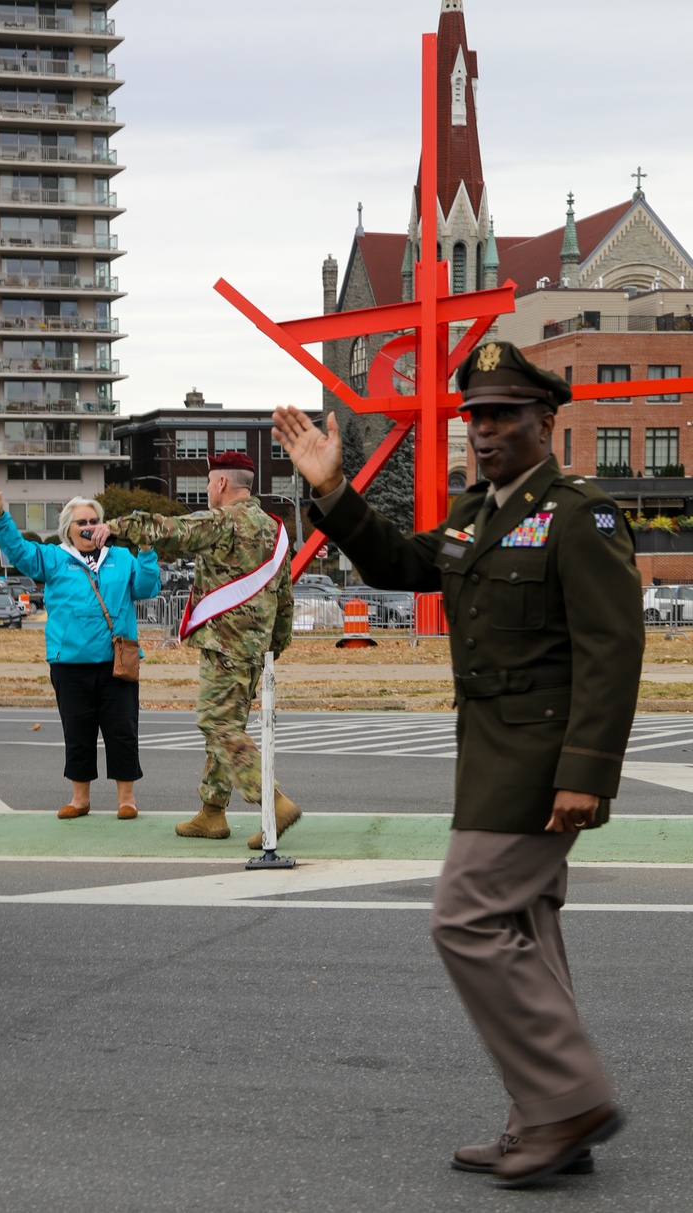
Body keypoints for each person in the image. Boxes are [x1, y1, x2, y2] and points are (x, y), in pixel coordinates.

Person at [272, 341, 644, 1188]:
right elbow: (403, 567)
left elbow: (613, 649)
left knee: (466, 917)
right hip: (491, 755)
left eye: (503, 415)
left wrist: (586, 770)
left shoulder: (579, 512)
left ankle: (572, 1096)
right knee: (526, 928)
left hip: (544, 760)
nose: (483, 431)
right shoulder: (480, 513)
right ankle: (549, 1121)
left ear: (546, 421)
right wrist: (331, 487)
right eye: (474, 416)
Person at [89, 451, 299, 848]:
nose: (206, 490)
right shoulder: (275, 530)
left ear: (221, 483)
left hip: (224, 646)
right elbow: (285, 594)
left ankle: (272, 802)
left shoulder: (222, 521)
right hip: (255, 651)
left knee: (215, 724)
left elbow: (168, 529)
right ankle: (212, 813)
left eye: (207, 483)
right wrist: (274, 646)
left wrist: (115, 526)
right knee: (225, 728)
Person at [0, 482, 160, 819]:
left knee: (122, 730)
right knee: (78, 732)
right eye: (82, 522)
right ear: (68, 529)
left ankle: (127, 799)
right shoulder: (54, 558)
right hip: (70, 664)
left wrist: (146, 549)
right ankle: (80, 799)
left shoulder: (122, 557)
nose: (89, 527)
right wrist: (0, 517)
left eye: (94, 520)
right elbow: (18, 552)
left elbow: (147, 587)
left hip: (117, 663)